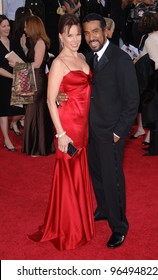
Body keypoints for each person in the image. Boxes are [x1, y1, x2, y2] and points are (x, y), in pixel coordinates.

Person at [59, 13, 139, 248]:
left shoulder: (120, 59)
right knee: (97, 175)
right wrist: (63, 96)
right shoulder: (89, 59)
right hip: (90, 131)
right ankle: (104, 208)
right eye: (86, 32)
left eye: (95, 31)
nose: (91, 36)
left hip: (110, 133)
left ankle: (119, 226)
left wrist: (119, 132)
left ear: (105, 31)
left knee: (113, 180)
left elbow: (132, 100)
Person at [28, 14, 95, 251]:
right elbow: (49, 100)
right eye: (70, 35)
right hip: (67, 127)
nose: (76, 39)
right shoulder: (58, 63)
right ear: (61, 37)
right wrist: (60, 134)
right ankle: (69, 229)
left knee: (79, 172)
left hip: (83, 125)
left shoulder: (82, 57)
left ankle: (80, 222)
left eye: (78, 34)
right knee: (68, 175)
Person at [135, 11, 158, 156]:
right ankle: (155, 146)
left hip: (156, 80)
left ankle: (156, 149)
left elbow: (153, 63)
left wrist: (138, 61)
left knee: (155, 115)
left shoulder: (150, 40)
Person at [21, 15, 55, 156]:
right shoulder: (33, 42)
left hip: (38, 81)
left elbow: (37, 64)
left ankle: (37, 147)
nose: (24, 29)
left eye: (25, 26)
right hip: (33, 79)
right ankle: (38, 146)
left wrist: (19, 65)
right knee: (35, 112)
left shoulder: (40, 42)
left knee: (34, 112)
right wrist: (23, 47)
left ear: (32, 27)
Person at [0, 15, 25, 151]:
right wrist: (12, 76)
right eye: (3, 26)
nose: (7, 28)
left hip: (17, 79)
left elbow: (23, 59)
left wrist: (23, 47)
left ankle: (14, 123)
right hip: (3, 81)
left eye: (8, 25)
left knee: (21, 107)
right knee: (3, 111)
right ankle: (7, 140)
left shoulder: (14, 41)